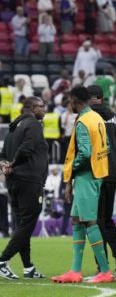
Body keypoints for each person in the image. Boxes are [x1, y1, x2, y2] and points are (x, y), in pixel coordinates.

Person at [52, 87, 112, 284]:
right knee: (77, 220)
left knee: (89, 221)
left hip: (87, 175)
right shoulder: (96, 118)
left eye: (70, 100)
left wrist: (71, 169)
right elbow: (106, 146)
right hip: (95, 173)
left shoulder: (83, 121)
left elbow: (85, 153)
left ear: (74, 101)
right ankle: (75, 270)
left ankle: (105, 270)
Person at [86, 85, 116, 280]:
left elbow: (82, 148)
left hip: (93, 175)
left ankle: (102, 267)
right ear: (102, 98)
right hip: (111, 175)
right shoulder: (115, 118)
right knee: (106, 220)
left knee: (95, 221)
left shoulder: (86, 118)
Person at [0, 97, 48, 280]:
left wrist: (5, 164)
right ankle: (2, 261)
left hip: (13, 182)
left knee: (22, 225)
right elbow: (27, 148)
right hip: (29, 181)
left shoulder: (12, 129)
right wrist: (12, 163)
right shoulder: (34, 124)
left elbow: (2, 155)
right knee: (27, 225)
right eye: (42, 106)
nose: (44, 109)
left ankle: (28, 267)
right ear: (32, 107)